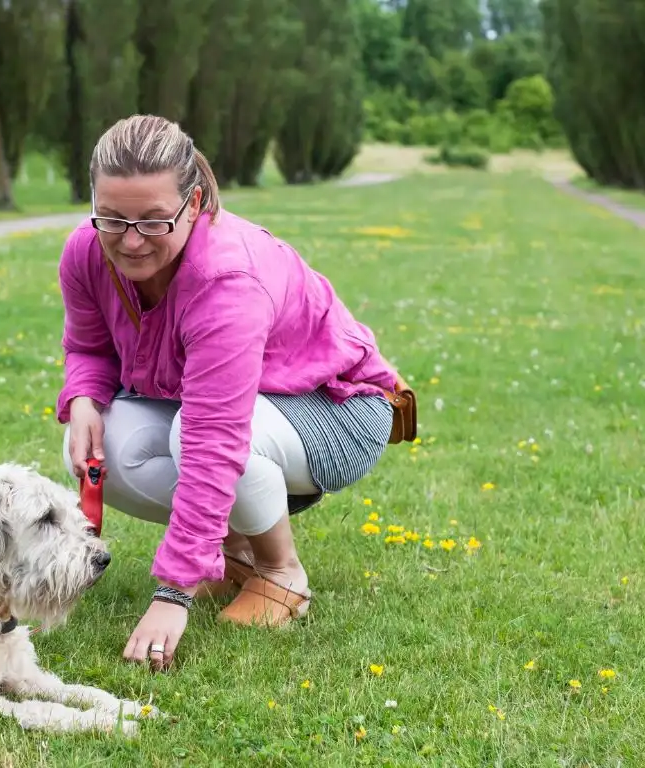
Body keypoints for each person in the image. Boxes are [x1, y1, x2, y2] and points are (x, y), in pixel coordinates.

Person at [53, 114, 408, 673]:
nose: (129, 240)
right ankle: (235, 558)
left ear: (193, 205)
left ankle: (280, 572)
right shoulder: (85, 252)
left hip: (338, 410)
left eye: (152, 221)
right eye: (111, 218)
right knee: (104, 446)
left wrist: (173, 592)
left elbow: (213, 439)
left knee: (189, 437)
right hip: (226, 409)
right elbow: (90, 348)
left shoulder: (228, 283)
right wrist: (82, 400)